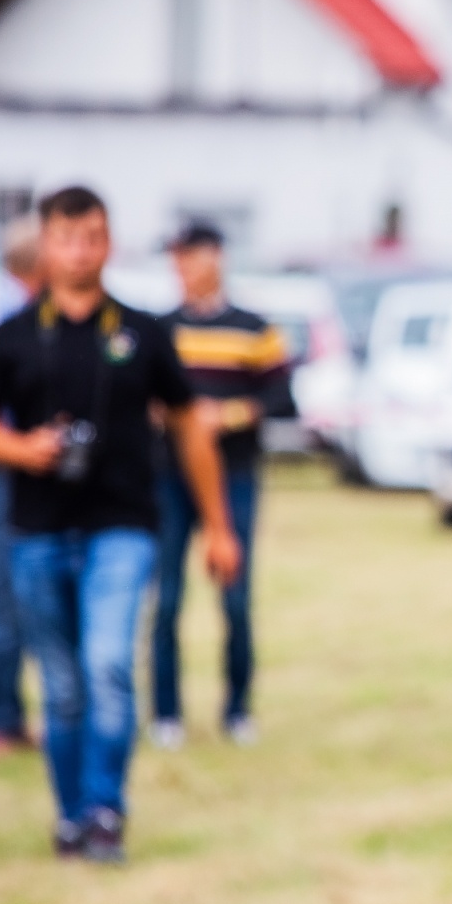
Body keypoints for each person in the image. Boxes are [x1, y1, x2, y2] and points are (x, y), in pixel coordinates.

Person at [0, 187, 241, 862]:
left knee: (107, 665)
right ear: (45, 246)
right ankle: (71, 815)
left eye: (93, 238)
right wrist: (22, 449)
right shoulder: (13, 337)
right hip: (38, 528)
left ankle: (106, 811)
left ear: (110, 243)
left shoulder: (143, 332)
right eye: (67, 239)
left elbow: (190, 427)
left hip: (122, 525)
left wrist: (219, 526)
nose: (81, 252)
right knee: (62, 686)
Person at [151, 221, 292, 750]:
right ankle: (165, 713)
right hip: (170, 476)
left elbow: (282, 397)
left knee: (234, 597)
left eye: (188, 257)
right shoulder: (160, 329)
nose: (181, 268)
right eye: (176, 259)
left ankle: (236, 709)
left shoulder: (254, 328)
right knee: (166, 599)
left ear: (214, 258)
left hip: (233, 475)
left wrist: (226, 416)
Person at [0, 214, 42, 754]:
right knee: (2, 596)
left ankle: (11, 715)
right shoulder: (5, 317)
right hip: (2, 465)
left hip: (19, 463)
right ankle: (0, 720)